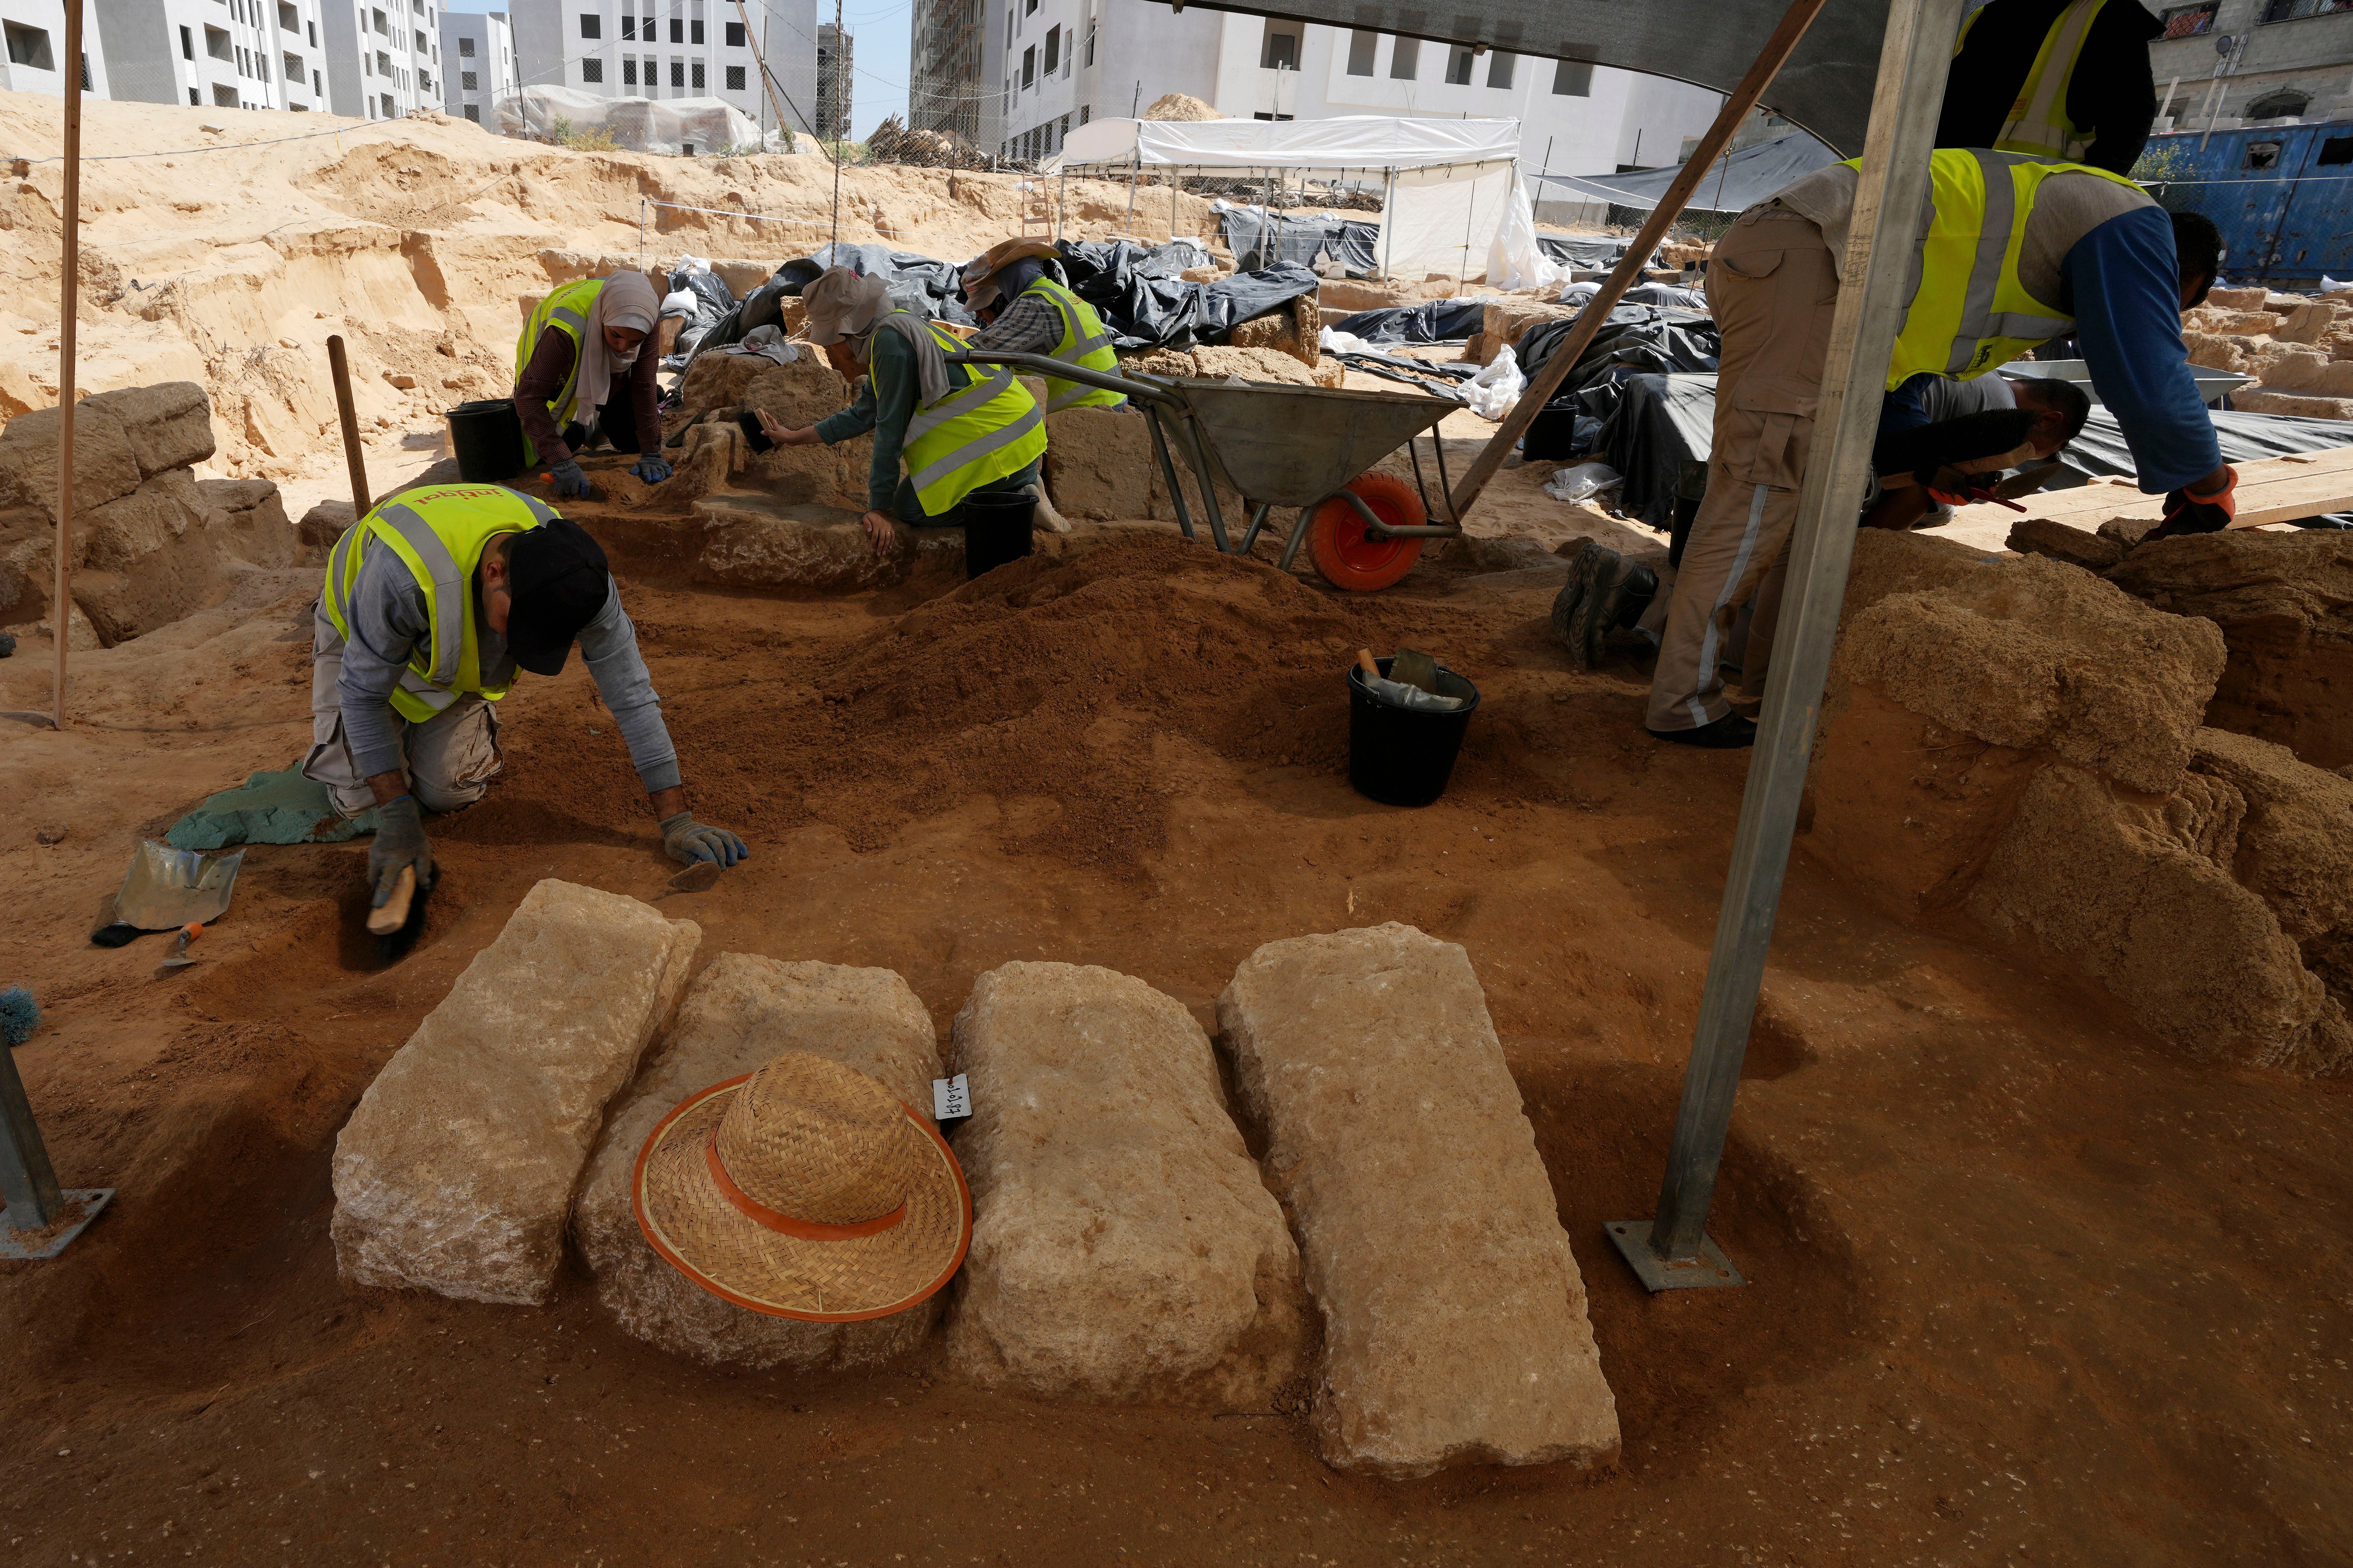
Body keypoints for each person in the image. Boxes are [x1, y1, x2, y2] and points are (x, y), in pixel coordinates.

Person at [1588, 148, 2230, 749]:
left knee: (1812, 507)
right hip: (1817, 256)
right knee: (1760, 489)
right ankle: (1681, 703)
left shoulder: (2029, 270)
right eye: (2177, 302)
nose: (2164, 314)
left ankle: (1761, 691)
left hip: (1821, 271)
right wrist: (2203, 482)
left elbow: (1901, 382)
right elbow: (2146, 368)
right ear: (2184, 272)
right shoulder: (2131, 226)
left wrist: (1915, 467)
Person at [303, 481, 747, 919]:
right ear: (495, 573)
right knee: (360, 798)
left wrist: (677, 821)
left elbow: (630, 694)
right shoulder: (401, 577)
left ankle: (433, 722)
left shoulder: (578, 575)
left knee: (449, 792)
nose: (515, 643)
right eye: (518, 628)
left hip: (439, 647)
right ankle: (391, 743)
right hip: (357, 627)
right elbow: (362, 697)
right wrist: (398, 816)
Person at [754, 267, 1048, 558]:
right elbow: (865, 414)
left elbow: (889, 431)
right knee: (914, 500)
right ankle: (1016, 489)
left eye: (830, 342)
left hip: (1009, 446)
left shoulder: (890, 345)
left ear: (845, 331)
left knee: (909, 509)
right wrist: (793, 437)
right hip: (1020, 438)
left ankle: (1015, 501)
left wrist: (879, 509)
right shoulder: (894, 329)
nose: (832, 354)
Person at [1936, 0, 2164, 176]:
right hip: (1959, 192)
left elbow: (2132, 119)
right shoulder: (1983, 18)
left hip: (2041, 203)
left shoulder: (2111, 13)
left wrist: (2089, 192)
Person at [513, 270, 673, 501]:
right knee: (549, 450)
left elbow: (645, 383)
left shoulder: (647, 317)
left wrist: (652, 452)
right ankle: (583, 427)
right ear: (603, 318)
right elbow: (528, 398)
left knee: (632, 441)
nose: (622, 347)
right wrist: (561, 461)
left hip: (609, 371)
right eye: (616, 335)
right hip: (556, 364)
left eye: (635, 341)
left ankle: (597, 420)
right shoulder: (565, 331)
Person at [958, 238, 1126, 413]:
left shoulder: (1034, 304)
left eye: (999, 281)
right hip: (1113, 401)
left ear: (1008, 279)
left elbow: (975, 351)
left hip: (1091, 414)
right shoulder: (1059, 294)